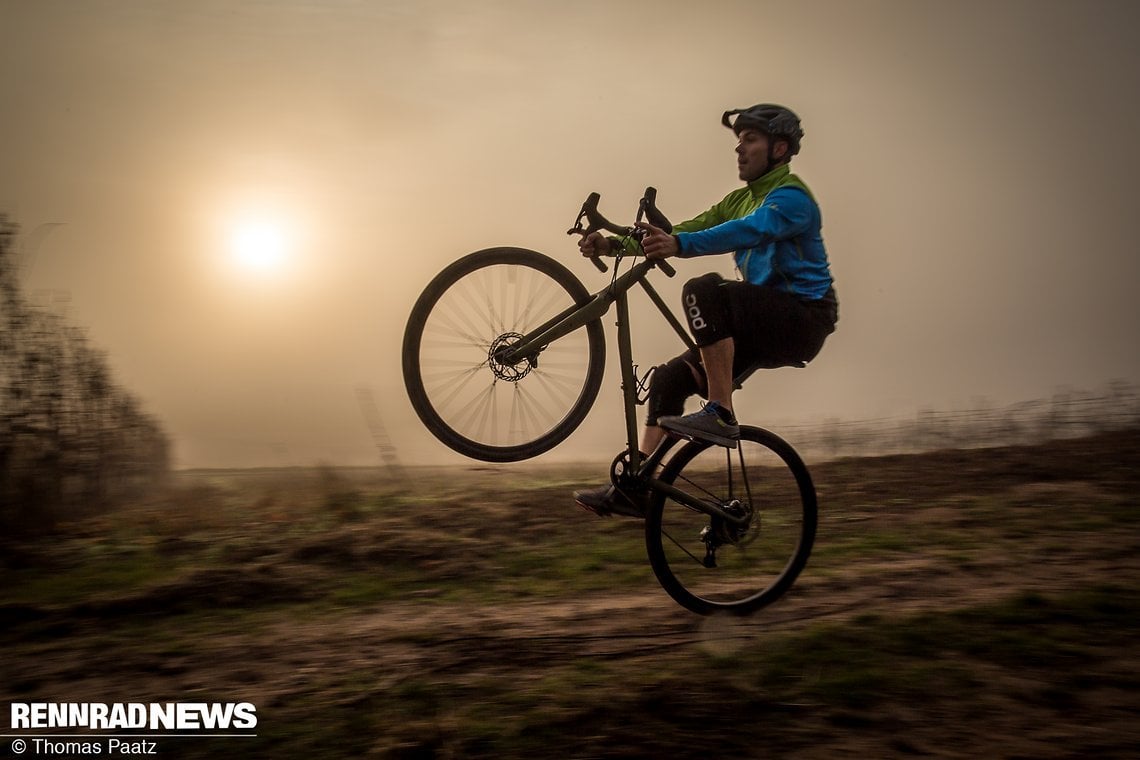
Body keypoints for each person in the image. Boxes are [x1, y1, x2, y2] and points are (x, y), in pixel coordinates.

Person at [574, 103, 838, 518]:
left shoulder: (792, 198)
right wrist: (612, 245)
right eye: (739, 140)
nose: (739, 148)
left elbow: (748, 230)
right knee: (669, 380)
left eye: (750, 139)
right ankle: (639, 485)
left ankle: (719, 411)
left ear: (779, 148)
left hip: (803, 318)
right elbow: (688, 229)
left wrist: (680, 247)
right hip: (757, 322)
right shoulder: (739, 199)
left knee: (703, 290)